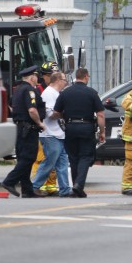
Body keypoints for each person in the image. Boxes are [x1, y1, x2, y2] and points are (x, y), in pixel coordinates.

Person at [52, 67, 105, 198]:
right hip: (86, 127)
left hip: (70, 128)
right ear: (86, 76)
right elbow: (100, 115)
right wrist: (102, 131)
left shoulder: (65, 93)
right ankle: (78, 185)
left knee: (74, 158)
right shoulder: (92, 93)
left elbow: (56, 113)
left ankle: (77, 189)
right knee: (85, 157)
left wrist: (65, 119)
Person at [1, 65, 46, 198]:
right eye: (36, 76)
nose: (37, 78)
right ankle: (9, 181)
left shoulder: (18, 90)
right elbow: (32, 110)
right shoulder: (29, 90)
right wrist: (39, 123)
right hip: (29, 128)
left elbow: (10, 105)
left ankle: (27, 190)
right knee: (28, 158)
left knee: (23, 157)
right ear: (32, 77)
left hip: (20, 128)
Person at [31, 71, 72, 197]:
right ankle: (35, 186)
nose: (66, 82)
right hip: (49, 134)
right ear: (58, 80)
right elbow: (49, 114)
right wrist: (65, 112)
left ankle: (65, 189)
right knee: (50, 161)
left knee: (62, 162)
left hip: (58, 133)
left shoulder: (57, 93)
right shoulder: (49, 93)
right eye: (64, 79)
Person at [31, 60, 61, 195]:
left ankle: (50, 186)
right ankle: (38, 186)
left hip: (53, 130)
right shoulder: (38, 91)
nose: (53, 78)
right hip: (41, 130)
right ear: (44, 75)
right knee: (41, 158)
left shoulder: (55, 90)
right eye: (51, 75)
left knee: (52, 159)